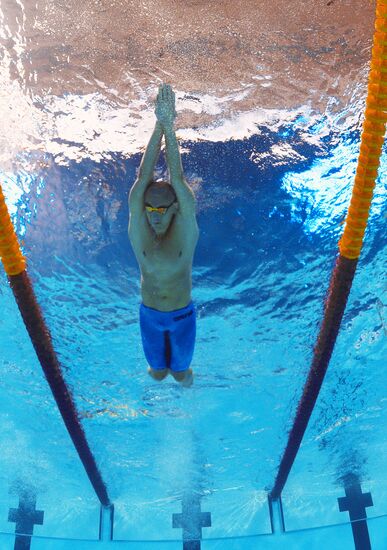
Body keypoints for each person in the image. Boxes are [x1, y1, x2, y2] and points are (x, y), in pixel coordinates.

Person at [128, 84, 199, 387]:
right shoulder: (140, 228)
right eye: (149, 209)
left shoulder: (185, 230)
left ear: (174, 209)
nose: (154, 216)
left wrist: (170, 127)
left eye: (161, 209)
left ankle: (189, 403)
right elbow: (142, 178)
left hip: (182, 316)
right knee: (158, 374)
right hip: (150, 317)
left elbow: (178, 178)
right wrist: (158, 124)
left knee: (180, 374)